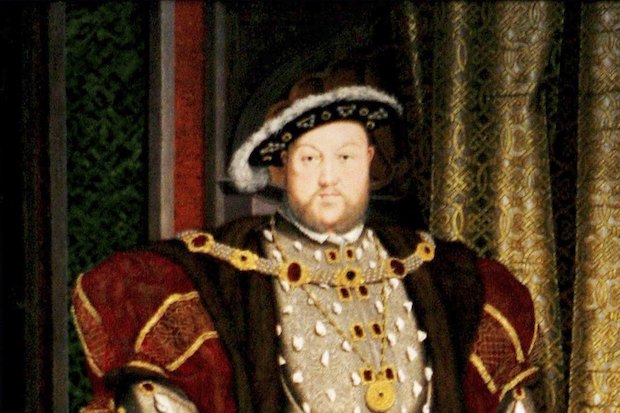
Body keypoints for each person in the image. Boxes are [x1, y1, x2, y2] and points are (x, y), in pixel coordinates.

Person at [72, 62, 538, 413]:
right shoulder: (222, 272)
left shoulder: (440, 272)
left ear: (370, 161)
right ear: (281, 169)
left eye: (345, 157)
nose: (328, 177)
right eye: (309, 159)